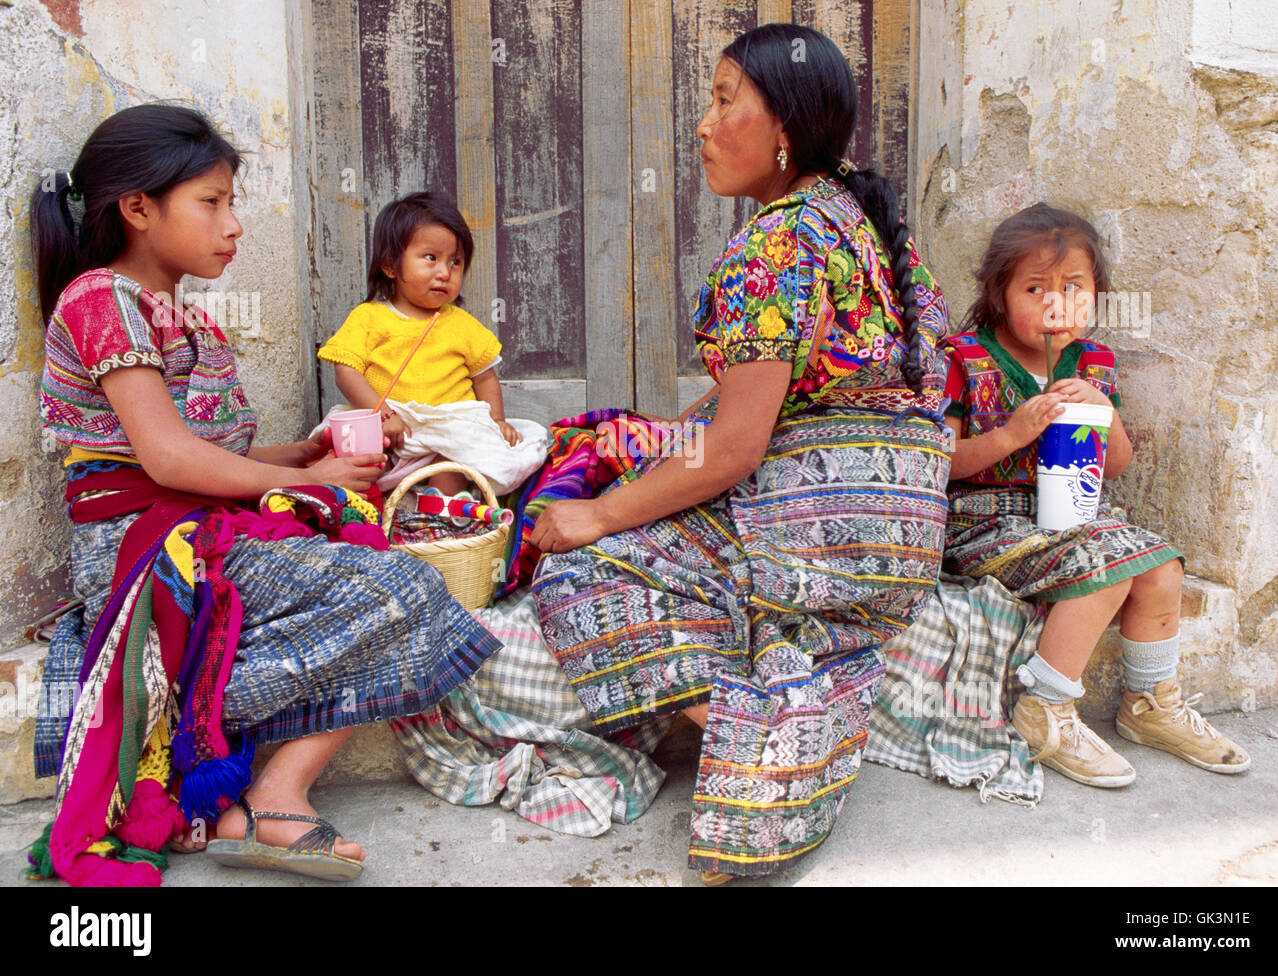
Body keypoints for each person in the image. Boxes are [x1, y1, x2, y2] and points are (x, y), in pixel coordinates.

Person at [30, 104, 500, 886]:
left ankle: (243, 781)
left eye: (231, 203)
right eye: (212, 202)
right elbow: (169, 457)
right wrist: (305, 482)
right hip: (141, 550)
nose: (233, 224)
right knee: (407, 586)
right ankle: (256, 783)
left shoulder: (182, 317)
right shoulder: (101, 300)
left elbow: (216, 458)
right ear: (139, 209)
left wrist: (305, 453)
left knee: (397, 570)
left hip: (201, 525)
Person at [530, 24, 951, 883]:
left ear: (786, 125)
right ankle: (776, 703)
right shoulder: (863, 225)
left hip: (819, 524)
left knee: (581, 575)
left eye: (725, 101)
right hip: (901, 529)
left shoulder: (773, 243)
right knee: (665, 505)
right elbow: (778, 396)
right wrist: (665, 437)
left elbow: (735, 448)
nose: (704, 124)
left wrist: (596, 514)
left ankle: (775, 745)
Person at [941, 202, 1249, 788]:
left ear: (1097, 296)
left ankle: (1149, 704)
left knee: (1162, 567)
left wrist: (1103, 412)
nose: (1057, 305)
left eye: (1074, 289)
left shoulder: (1094, 364)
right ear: (999, 293)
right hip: (985, 522)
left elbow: (1117, 467)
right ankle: (1046, 709)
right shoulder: (966, 360)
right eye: (1035, 288)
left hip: (1079, 513)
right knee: (1108, 567)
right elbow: (941, 463)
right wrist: (1012, 434)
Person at [318, 191, 522, 497]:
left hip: (448, 426)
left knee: (460, 456)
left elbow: (485, 376)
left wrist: (497, 421)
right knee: (349, 452)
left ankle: (440, 508)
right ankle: (375, 502)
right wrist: (383, 415)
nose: (444, 272)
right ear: (390, 265)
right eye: (431, 258)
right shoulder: (369, 317)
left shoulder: (461, 324)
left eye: (455, 262)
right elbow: (346, 369)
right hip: (390, 422)